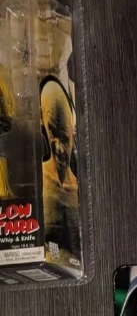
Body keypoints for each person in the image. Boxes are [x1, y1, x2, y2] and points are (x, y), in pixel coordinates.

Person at [40, 77, 80, 259]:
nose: (59, 148)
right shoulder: (40, 181)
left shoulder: (82, 183)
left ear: (72, 133)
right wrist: (57, 260)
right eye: (53, 134)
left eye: (64, 138)